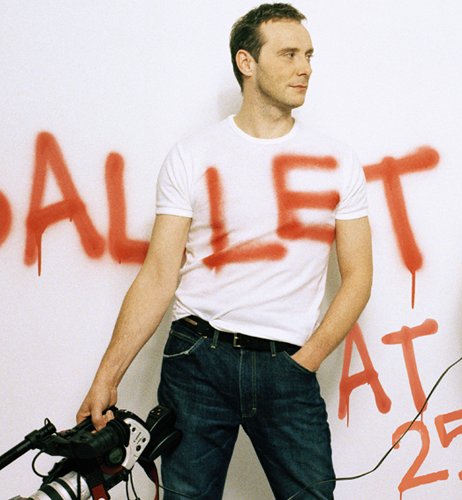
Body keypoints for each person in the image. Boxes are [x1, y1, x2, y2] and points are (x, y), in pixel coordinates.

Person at [76, 3, 372, 498]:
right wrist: (107, 376)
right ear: (246, 62)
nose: (305, 68)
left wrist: (307, 360)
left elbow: (358, 277)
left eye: (309, 55)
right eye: (289, 54)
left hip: (287, 365)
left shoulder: (337, 161)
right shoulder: (192, 155)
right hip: (198, 360)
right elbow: (158, 275)